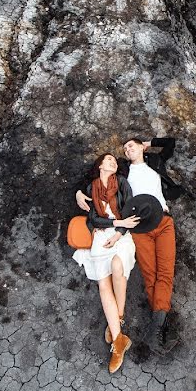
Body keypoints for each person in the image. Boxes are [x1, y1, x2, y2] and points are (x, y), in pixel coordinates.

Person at [77, 137, 183, 352]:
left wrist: (149, 142)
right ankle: (161, 326)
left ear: (141, 148)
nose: (127, 149)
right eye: (125, 149)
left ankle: (156, 328)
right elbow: (97, 174)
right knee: (150, 276)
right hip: (139, 227)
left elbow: (171, 142)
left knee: (165, 273)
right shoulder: (122, 171)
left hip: (163, 221)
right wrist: (79, 191)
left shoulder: (155, 162)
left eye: (131, 145)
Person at [72, 153, 141, 373]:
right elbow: (93, 218)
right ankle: (119, 341)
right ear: (100, 165)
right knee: (103, 285)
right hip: (101, 235)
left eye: (114, 161)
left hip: (121, 234)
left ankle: (117, 321)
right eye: (108, 160)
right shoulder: (92, 187)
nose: (112, 163)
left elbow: (131, 211)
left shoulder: (121, 182)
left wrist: (119, 231)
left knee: (118, 267)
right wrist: (115, 222)